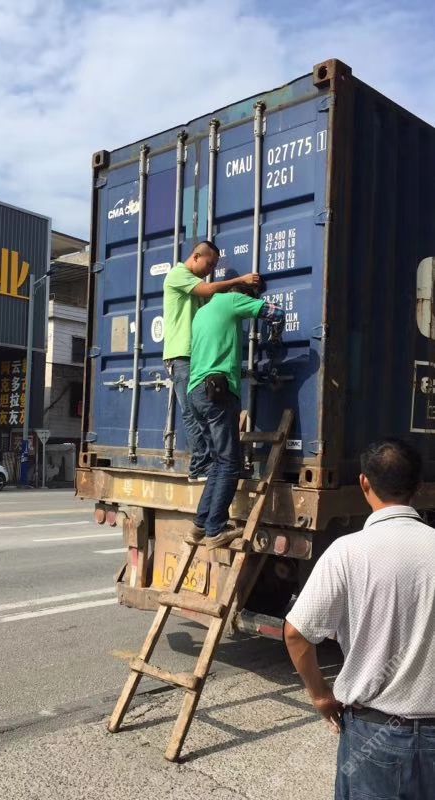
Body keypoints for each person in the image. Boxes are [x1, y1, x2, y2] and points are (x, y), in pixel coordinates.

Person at [284, 438, 435, 800]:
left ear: (364, 482)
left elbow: (296, 633)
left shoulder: (347, 553)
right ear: (418, 487)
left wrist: (321, 696)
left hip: (373, 736)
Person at [185, 280, 285, 549]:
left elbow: (214, 357)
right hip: (217, 393)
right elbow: (276, 312)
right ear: (242, 297)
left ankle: (199, 526)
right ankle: (216, 529)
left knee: (219, 462)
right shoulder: (233, 300)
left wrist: (249, 373)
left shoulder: (203, 311)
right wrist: (275, 339)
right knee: (230, 464)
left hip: (197, 392)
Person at [163, 241, 260, 482]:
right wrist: (241, 281)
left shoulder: (196, 285)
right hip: (182, 354)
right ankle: (200, 465)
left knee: (204, 411)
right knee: (192, 412)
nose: (211, 270)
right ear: (196, 256)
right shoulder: (177, 274)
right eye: (209, 263)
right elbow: (208, 291)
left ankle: (214, 463)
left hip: (197, 355)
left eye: (215, 266)